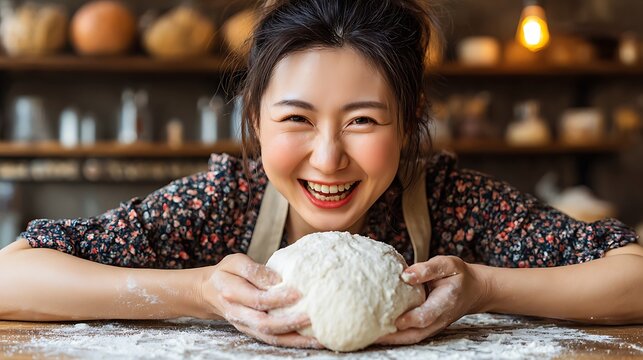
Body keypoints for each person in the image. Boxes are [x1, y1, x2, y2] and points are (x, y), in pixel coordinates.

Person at [1, 0, 641, 349]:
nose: (329, 158)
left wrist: (486, 289)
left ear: (409, 119)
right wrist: (197, 293)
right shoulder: (225, 203)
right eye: (297, 120)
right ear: (255, 120)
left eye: (363, 121)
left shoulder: (453, 202)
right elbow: (11, 276)